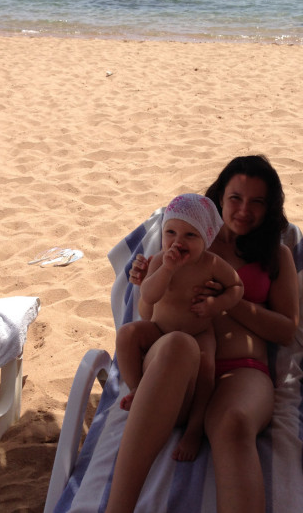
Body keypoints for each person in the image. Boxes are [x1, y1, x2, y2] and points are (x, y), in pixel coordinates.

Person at [105, 155, 299, 513]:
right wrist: (146, 281)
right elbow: (148, 314)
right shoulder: (188, 238)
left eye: (257, 202)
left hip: (241, 372)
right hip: (178, 372)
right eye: (235, 198)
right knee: (179, 344)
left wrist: (228, 302)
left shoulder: (277, 255)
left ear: (270, 208)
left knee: (233, 424)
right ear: (219, 197)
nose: (244, 210)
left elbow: (287, 331)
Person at [116, 193, 244, 462]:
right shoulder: (160, 261)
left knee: (207, 367)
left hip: (199, 334)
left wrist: (216, 304)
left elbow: (236, 286)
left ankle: (195, 428)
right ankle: (138, 389)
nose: (178, 241)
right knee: (127, 334)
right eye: (170, 232)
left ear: (206, 239)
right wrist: (166, 270)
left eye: (190, 235)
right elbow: (148, 296)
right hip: (159, 330)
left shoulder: (212, 264)